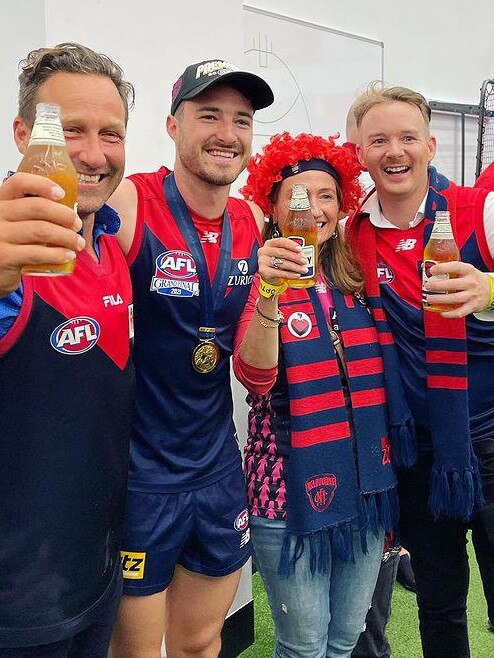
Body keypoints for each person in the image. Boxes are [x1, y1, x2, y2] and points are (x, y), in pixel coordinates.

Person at [107, 59, 274, 658]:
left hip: (217, 469)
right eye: (209, 116)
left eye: (241, 120)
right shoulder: (131, 202)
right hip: (139, 476)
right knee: (131, 652)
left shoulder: (251, 220)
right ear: (173, 126)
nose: (227, 133)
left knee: (202, 643)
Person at [234, 131, 413, 658]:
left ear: (342, 205)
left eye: (326, 195)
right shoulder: (257, 275)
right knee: (304, 644)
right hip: (286, 490)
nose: (311, 209)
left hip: (365, 489)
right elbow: (254, 374)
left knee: (345, 638)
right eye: (297, 196)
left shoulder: (358, 279)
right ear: (273, 206)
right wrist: (270, 291)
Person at [346, 83, 494, 658]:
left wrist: (488, 287)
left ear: (431, 145)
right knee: (438, 606)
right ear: (359, 153)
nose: (394, 150)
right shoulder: (346, 234)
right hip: (414, 454)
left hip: (487, 435)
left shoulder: (474, 211)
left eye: (407, 137)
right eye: (378, 139)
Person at [0, 43, 135, 657]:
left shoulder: (110, 245)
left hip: (93, 571)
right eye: (70, 130)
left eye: (111, 133)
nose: (93, 153)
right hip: (16, 601)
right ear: (25, 133)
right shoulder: (9, 253)